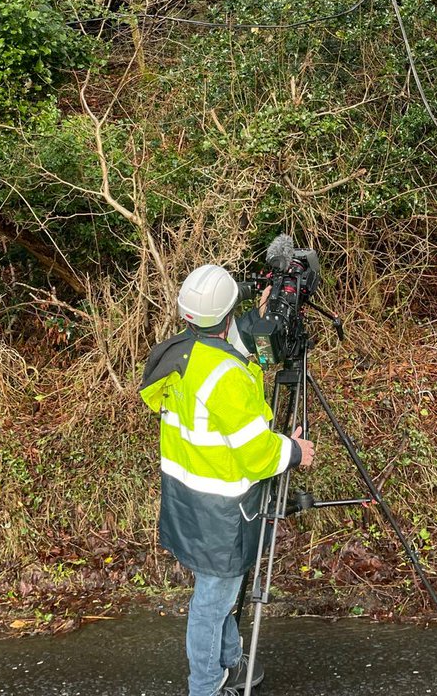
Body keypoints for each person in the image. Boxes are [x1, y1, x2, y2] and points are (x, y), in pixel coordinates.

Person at [141, 263, 315, 696]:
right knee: (212, 602)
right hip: (222, 512)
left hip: (187, 497)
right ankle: (205, 685)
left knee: (214, 591)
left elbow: (223, 424)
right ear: (229, 311)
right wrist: (293, 451)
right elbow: (256, 454)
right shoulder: (228, 377)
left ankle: (230, 661)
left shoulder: (180, 354)